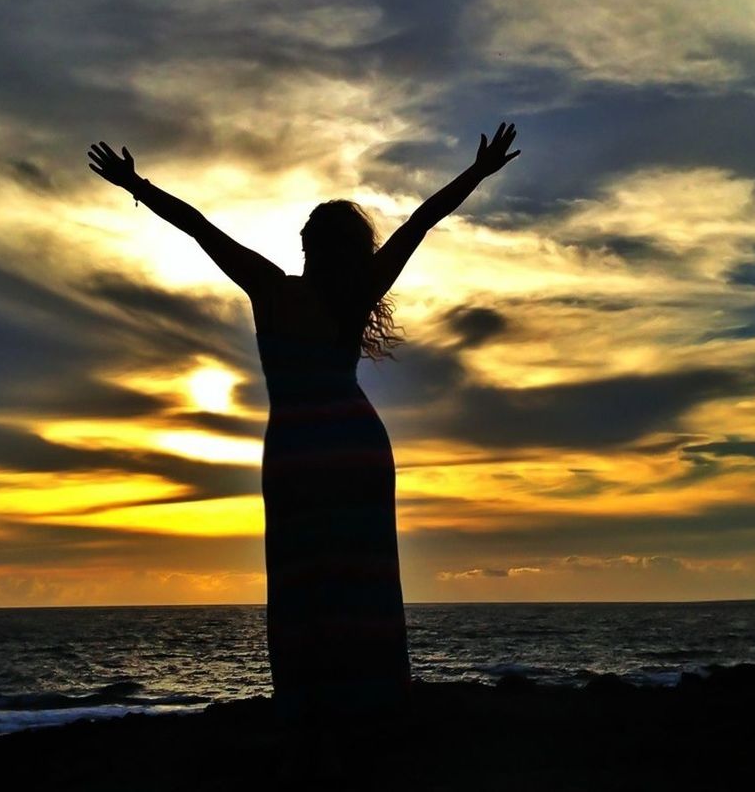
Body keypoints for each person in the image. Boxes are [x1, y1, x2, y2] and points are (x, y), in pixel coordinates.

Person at [87, 123, 520, 722]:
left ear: (312, 248)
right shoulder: (359, 290)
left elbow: (198, 228)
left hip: (296, 447)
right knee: (362, 573)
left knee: (303, 577)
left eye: (308, 238)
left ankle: (310, 705)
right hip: (356, 442)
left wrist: (135, 184)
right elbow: (421, 221)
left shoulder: (269, 287)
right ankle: (374, 701)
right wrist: (476, 172)